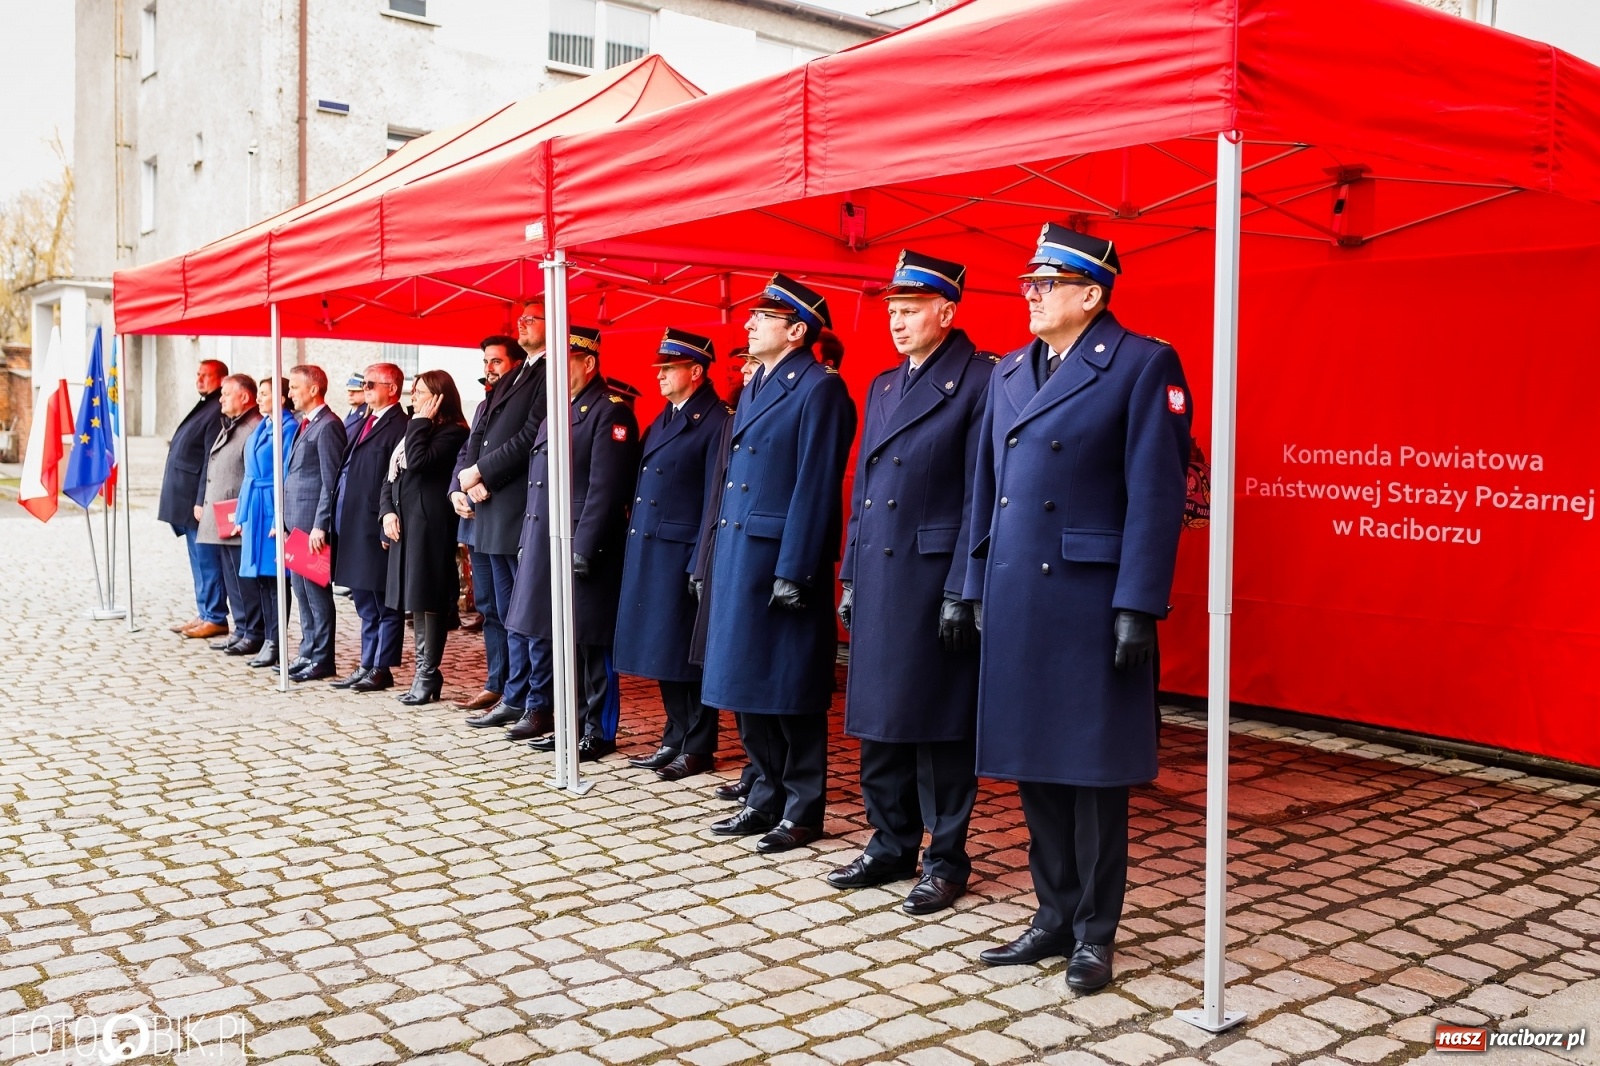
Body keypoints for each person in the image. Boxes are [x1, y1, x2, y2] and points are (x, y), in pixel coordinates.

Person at [964, 223, 1191, 992]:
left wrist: (1138, 604)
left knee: (1091, 775)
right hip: (1020, 594)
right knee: (1033, 764)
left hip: (1092, 601)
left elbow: (1156, 496)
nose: (1029, 295)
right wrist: (971, 585)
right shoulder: (1009, 373)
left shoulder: (1139, 363)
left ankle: (1095, 932)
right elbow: (985, 497)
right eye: (1027, 282)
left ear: (1090, 295)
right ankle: (1050, 915)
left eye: (1045, 283)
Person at [830, 250, 994, 916]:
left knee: (938, 727)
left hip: (932, 577)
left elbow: (982, 494)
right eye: (891, 312)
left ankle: (947, 857)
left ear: (946, 312)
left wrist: (963, 586)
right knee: (879, 719)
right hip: (881, 571)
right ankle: (890, 839)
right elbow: (865, 488)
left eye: (909, 310)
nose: (896, 323)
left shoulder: (982, 380)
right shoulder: (884, 384)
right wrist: (849, 570)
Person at [702, 274, 857, 854]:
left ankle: (802, 807)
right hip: (742, 552)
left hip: (781, 560)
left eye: (762, 318)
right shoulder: (758, 385)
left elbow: (816, 485)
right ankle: (763, 793)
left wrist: (796, 569)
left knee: (789, 687)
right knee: (743, 681)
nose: (748, 324)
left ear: (796, 331)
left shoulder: (820, 389)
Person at [511, 327, 640, 760]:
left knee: (591, 643)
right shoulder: (558, 409)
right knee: (563, 640)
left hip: (588, 545)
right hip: (552, 540)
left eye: (563, 363)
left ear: (588, 363)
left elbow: (607, 487)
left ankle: (599, 731)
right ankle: (570, 724)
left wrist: (585, 545)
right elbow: (540, 483)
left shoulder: (610, 411)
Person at [615, 329, 733, 781]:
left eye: (669, 369)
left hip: (683, 551)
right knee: (664, 650)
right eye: (660, 369)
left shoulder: (717, 420)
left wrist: (700, 561)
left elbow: (713, 499)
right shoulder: (664, 417)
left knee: (686, 654)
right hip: (651, 547)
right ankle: (674, 735)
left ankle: (698, 745)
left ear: (696, 372)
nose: (660, 377)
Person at [452, 311, 549, 733]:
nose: (524, 322)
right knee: (496, 609)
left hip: (514, 504)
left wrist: (483, 473)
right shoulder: (513, 377)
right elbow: (482, 433)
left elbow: (530, 435)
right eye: (522, 317)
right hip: (487, 506)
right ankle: (510, 690)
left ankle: (530, 698)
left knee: (520, 611)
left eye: (534, 317)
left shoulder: (549, 371)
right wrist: (463, 481)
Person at [691, 347, 763, 804]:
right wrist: (703, 560)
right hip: (724, 547)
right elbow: (717, 492)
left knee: (749, 667)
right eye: (744, 367)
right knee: (729, 666)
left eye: (752, 366)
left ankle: (761, 772)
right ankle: (755, 768)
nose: (746, 373)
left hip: (752, 552)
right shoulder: (736, 414)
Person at [380, 370, 471, 705]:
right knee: (414, 601)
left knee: (428, 599)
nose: (413, 397)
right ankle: (425, 674)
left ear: (438, 397)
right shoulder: (417, 429)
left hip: (431, 526)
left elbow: (418, 462)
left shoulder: (453, 433)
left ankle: (428, 673)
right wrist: (386, 511)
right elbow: (389, 479)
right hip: (407, 524)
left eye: (419, 392)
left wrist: (418, 421)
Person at [330, 363, 411, 692]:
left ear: (391, 389)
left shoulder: (399, 426)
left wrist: (384, 525)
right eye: (364, 384)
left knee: (382, 600)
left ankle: (381, 667)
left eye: (370, 384)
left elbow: (396, 482)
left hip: (376, 525)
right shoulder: (366, 418)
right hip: (352, 522)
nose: (364, 389)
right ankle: (367, 662)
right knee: (364, 600)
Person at [283, 365, 348, 682]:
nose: (290, 392)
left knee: (316, 592)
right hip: (296, 523)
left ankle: (323, 658)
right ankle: (308, 650)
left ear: (313, 389)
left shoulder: (328, 426)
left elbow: (330, 480)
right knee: (301, 591)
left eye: (295, 387)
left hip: (312, 526)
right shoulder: (305, 423)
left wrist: (321, 525)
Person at [195, 374, 264, 657]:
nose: (220, 399)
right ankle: (242, 629)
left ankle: (253, 631)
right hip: (225, 515)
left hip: (238, 514)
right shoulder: (235, 424)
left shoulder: (252, 427)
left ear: (244, 397)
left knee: (243, 580)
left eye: (225, 393)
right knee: (232, 578)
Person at [159, 359, 228, 638]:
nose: (199, 379)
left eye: (205, 375)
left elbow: (211, 459)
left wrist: (202, 500)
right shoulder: (206, 403)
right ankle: (204, 612)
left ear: (221, 379)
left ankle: (215, 615)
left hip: (197, 501)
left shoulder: (216, 410)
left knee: (207, 559)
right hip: (186, 498)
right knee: (197, 559)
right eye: (197, 374)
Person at [453, 373, 508, 714]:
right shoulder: (484, 406)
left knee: (507, 608)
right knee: (487, 606)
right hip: (475, 519)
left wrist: (481, 477)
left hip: (501, 515)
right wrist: (458, 487)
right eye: (486, 363)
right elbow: (466, 453)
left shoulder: (519, 405)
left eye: (497, 363)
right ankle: (496, 681)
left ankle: (516, 686)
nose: (490, 371)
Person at [236, 377, 299, 670]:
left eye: (264, 394)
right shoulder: (265, 426)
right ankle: (266, 637)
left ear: (282, 398)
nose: (258, 399)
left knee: (276, 578)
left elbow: (286, 475)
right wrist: (241, 514)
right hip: (256, 505)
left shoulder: (288, 428)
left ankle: (276, 641)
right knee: (261, 578)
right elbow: (249, 473)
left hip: (272, 507)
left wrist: (280, 517)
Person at [342, 371, 370, 436]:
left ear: (365, 391)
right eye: (349, 390)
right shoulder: (352, 412)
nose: (350, 394)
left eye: (355, 391)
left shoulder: (367, 414)